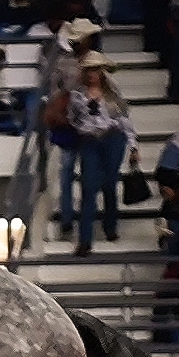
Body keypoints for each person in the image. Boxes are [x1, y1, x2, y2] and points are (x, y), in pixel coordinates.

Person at [67, 54, 139, 255]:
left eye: (96, 70)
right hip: (90, 140)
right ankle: (85, 240)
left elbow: (124, 120)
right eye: (89, 70)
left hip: (112, 138)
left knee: (110, 183)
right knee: (88, 187)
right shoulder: (77, 95)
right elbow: (73, 119)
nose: (92, 74)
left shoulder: (112, 94)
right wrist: (85, 128)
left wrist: (133, 146)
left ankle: (110, 225)